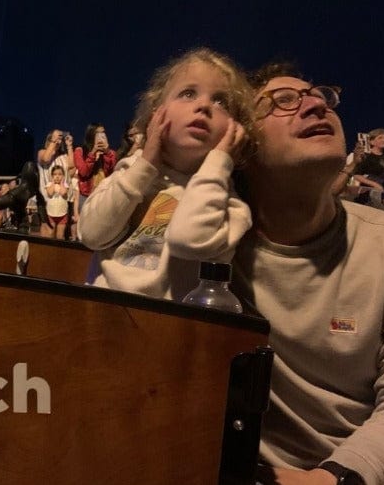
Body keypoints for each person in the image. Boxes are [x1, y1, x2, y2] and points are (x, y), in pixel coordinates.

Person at [232, 62, 384, 485]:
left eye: (320, 94)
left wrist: (336, 483)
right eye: (282, 101)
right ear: (240, 145)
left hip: (369, 478)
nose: (316, 103)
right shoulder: (208, 248)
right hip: (249, 479)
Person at [78, 47, 252, 301]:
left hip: (168, 331)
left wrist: (219, 163)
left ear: (236, 132)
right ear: (155, 114)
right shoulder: (130, 173)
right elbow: (92, 234)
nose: (204, 105)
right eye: (188, 93)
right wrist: (145, 163)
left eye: (221, 101)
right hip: (100, 315)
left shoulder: (228, 204)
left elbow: (188, 240)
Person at [73, 124, 117, 209]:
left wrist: (107, 152)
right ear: (91, 135)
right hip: (87, 196)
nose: (101, 136)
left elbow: (112, 172)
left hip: (105, 194)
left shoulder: (111, 153)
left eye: (103, 132)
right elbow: (84, 172)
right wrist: (93, 152)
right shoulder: (80, 151)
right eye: (97, 133)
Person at [44, 163, 69, 240]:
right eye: (55, 174)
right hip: (51, 214)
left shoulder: (65, 185)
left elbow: (63, 192)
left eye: (60, 174)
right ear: (52, 176)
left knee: (60, 236)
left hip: (62, 214)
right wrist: (53, 182)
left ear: (63, 176)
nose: (57, 176)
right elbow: (50, 193)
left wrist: (61, 183)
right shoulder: (49, 184)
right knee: (51, 234)